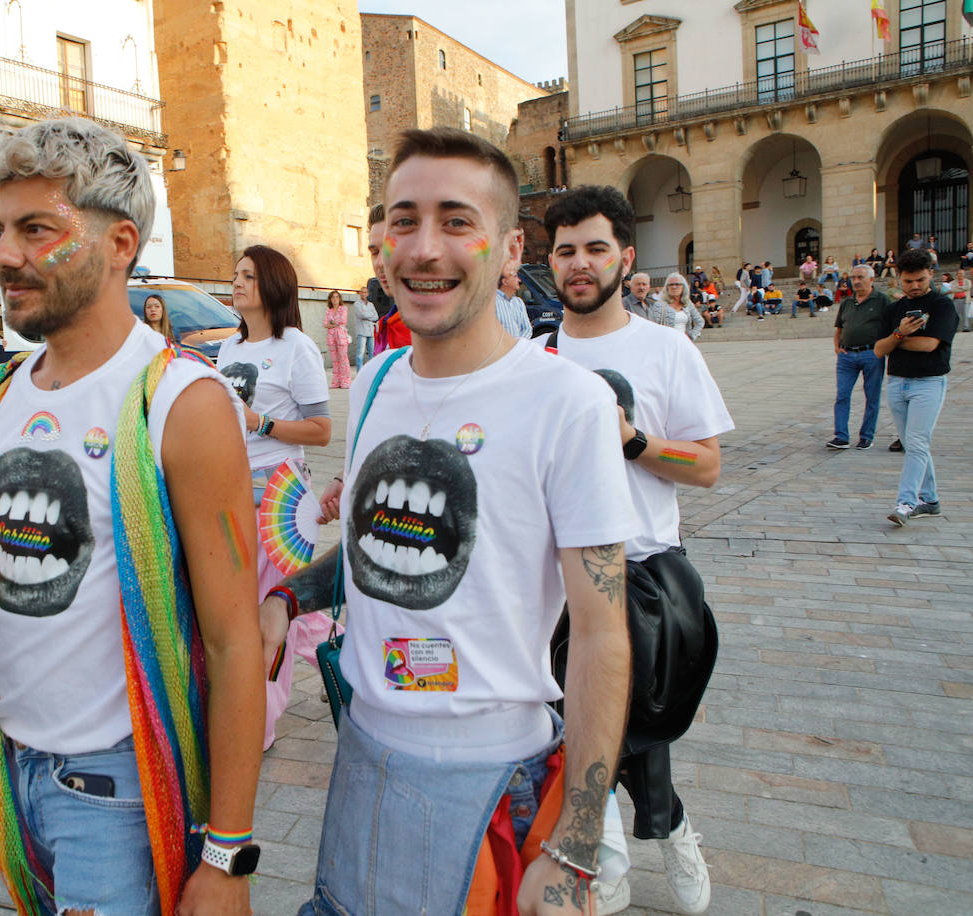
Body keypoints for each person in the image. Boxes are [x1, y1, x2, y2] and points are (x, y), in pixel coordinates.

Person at [0, 118, 264, 915]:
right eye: (2, 229)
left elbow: (235, 639)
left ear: (119, 244)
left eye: (36, 230)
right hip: (12, 769)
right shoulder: (0, 392)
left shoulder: (182, 403)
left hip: (116, 788)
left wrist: (228, 855)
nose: (3, 254)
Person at [267, 127, 637, 916]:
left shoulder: (567, 402)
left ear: (509, 250)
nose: (423, 248)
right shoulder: (372, 382)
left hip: (490, 787)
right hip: (361, 762)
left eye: (456, 221)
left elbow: (603, 636)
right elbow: (373, 551)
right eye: (404, 220)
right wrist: (287, 598)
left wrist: (575, 845)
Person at [544, 185, 731, 916]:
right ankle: (617, 849)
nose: (580, 263)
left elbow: (709, 466)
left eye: (595, 248)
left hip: (647, 573)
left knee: (634, 725)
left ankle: (666, 827)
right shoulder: (535, 356)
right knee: (579, 722)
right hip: (556, 581)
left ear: (625, 256)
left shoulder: (665, 347)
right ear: (549, 261)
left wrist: (635, 442)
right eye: (565, 250)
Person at [216, 245, 331, 749]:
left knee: (269, 606)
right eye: (236, 275)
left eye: (249, 276)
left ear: (274, 286)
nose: (237, 283)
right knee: (265, 601)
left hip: (282, 493)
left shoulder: (296, 347)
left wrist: (258, 421)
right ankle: (342, 650)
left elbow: (323, 429)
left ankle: (259, 720)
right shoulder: (229, 349)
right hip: (235, 488)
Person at [875, 248, 958, 526]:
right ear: (899, 278)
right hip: (897, 382)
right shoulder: (893, 309)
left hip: (929, 383)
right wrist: (900, 333)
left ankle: (906, 503)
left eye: (920, 280)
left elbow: (930, 344)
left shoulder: (941, 305)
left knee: (917, 442)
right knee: (913, 443)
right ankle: (930, 500)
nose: (915, 286)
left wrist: (895, 340)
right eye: (908, 281)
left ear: (930, 275)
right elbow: (878, 349)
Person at [827, 265, 889, 451]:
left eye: (860, 277)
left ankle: (866, 436)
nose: (856, 281)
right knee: (842, 395)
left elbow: (890, 326)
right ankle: (841, 436)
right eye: (853, 277)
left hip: (871, 354)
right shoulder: (847, 302)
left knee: (872, 396)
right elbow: (839, 328)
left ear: (871, 279)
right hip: (847, 355)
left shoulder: (881, 300)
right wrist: (837, 347)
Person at [366, 203, 410, 352]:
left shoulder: (443, 331)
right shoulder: (384, 327)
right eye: (375, 252)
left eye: (390, 249)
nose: (380, 263)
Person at [648, 273, 704, 341]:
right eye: (671, 284)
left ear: (683, 287)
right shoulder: (659, 305)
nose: (674, 287)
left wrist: (692, 336)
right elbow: (654, 327)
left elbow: (700, 321)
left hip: (684, 344)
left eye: (677, 284)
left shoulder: (687, 304)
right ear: (667, 288)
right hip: (667, 344)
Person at [495, 259, 534, 338]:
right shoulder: (492, 302)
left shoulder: (518, 302)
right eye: (515, 276)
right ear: (505, 281)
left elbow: (527, 329)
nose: (519, 280)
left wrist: (518, 346)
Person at [323, 289, 351, 388]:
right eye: (333, 297)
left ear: (339, 299)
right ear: (330, 299)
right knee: (335, 360)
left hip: (341, 336)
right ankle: (336, 381)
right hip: (331, 337)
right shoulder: (328, 310)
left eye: (337, 297)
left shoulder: (343, 308)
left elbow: (342, 320)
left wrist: (331, 323)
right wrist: (332, 324)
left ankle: (346, 381)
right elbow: (325, 323)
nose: (335, 299)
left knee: (343, 358)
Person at [352, 286, 377, 367]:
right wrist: (370, 316)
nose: (363, 294)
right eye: (362, 292)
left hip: (371, 331)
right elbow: (361, 315)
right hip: (362, 332)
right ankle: (360, 373)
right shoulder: (357, 304)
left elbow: (376, 317)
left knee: (372, 354)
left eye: (365, 292)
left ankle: (370, 372)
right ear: (359, 293)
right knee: (360, 354)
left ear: (368, 294)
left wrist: (367, 316)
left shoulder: (371, 305)